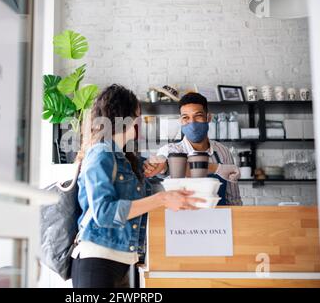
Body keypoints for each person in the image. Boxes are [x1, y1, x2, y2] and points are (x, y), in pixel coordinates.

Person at [71, 85, 206, 288]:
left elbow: (147, 195)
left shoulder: (126, 159)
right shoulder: (100, 154)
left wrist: (161, 172)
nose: (139, 121)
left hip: (125, 263)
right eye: (137, 115)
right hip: (97, 262)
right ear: (125, 117)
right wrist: (162, 199)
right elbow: (104, 213)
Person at [144, 92, 242, 206]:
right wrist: (160, 165)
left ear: (208, 118)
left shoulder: (223, 152)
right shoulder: (170, 151)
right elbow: (163, 166)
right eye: (186, 117)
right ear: (181, 121)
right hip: (182, 220)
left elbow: (233, 200)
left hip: (219, 219)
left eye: (198, 116)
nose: (192, 123)